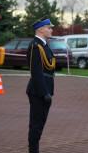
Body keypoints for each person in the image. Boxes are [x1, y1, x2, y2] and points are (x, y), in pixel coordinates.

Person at [26, 15, 55, 153]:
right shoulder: (35, 46)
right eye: (49, 28)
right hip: (38, 91)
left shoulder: (44, 45)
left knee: (40, 123)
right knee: (36, 125)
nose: (51, 30)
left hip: (45, 89)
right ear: (41, 29)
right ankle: (33, 151)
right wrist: (44, 93)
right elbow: (35, 72)